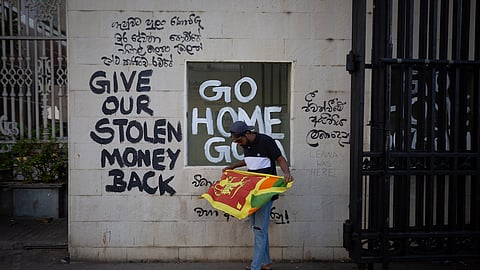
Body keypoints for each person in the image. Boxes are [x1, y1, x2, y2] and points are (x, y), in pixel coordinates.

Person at [223, 121, 294, 270]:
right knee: (257, 228)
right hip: (253, 193)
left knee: (259, 230)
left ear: (248, 133)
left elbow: (279, 159)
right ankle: (266, 264)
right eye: (236, 142)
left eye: (239, 140)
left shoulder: (266, 141)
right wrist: (232, 166)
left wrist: (287, 173)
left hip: (265, 194)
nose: (239, 144)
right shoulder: (246, 145)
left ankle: (255, 267)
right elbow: (250, 161)